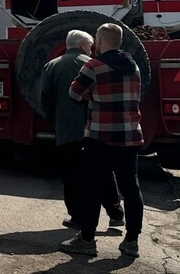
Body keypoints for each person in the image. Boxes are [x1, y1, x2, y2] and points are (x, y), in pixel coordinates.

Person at [60, 23, 144, 259]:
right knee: (131, 188)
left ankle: (87, 239)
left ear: (99, 40)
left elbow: (75, 94)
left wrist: (92, 94)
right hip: (130, 137)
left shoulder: (93, 66)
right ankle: (131, 241)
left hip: (100, 138)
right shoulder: (134, 66)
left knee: (91, 188)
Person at [39, 29, 124, 230]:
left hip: (67, 131)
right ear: (80, 45)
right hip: (96, 129)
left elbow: (45, 99)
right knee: (103, 172)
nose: (92, 49)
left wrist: (55, 121)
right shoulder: (98, 65)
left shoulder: (52, 66)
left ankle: (77, 217)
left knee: (70, 176)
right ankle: (116, 214)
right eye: (89, 46)